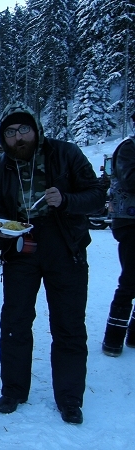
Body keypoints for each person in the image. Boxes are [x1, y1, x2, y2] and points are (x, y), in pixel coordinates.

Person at [0, 101, 105, 424]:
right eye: (10, 132)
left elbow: (96, 196)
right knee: (15, 322)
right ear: (3, 137)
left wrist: (66, 200)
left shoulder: (66, 154)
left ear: (36, 130)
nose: (18, 137)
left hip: (64, 246)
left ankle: (69, 397)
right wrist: (1, 230)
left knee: (68, 324)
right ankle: (13, 390)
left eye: (24, 129)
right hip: (21, 248)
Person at [102, 111, 135, 356]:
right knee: (130, 279)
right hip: (129, 221)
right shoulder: (128, 149)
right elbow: (130, 180)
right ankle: (113, 339)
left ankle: (133, 335)